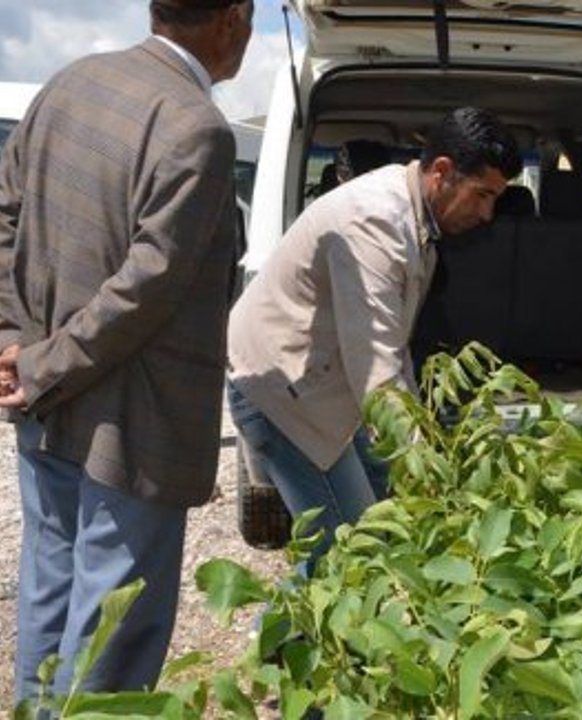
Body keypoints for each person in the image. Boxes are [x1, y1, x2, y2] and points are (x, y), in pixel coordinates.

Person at [0, 0, 253, 701]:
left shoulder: (70, 83)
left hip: (45, 406)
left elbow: (6, 217)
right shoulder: (197, 127)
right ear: (234, 20)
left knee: (49, 594)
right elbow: (147, 288)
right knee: (114, 632)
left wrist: (15, 343)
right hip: (134, 426)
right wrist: (36, 361)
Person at [226, 107, 520, 568]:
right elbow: (377, 372)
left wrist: (417, 444)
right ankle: (287, 618)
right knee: (354, 557)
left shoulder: (416, 217)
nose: (487, 214)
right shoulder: (376, 222)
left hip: (326, 382)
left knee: (383, 521)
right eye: (482, 195)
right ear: (442, 172)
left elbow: (393, 344)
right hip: (282, 390)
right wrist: (423, 466)